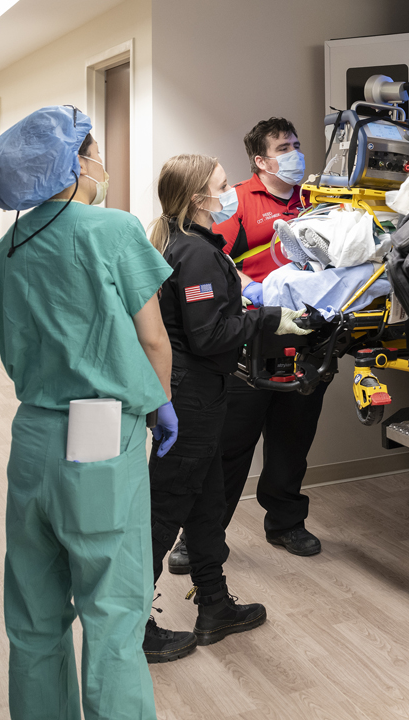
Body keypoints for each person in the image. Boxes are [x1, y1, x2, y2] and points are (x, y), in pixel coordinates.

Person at [0, 105, 192, 720]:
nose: (100, 162)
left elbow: (12, 347)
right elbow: (154, 339)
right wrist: (162, 403)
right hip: (100, 434)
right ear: (76, 161)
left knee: (35, 615)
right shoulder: (114, 229)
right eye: (93, 151)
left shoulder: (9, 244)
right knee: (113, 613)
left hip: (33, 434)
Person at [145, 154, 309, 647]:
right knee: (162, 513)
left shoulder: (188, 244)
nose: (229, 193)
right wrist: (265, 318)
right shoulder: (193, 253)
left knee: (206, 503)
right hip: (189, 400)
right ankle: (134, 626)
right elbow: (209, 335)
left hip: (202, 396)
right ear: (198, 199)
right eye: (221, 186)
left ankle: (214, 606)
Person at [167, 118, 320, 577]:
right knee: (232, 444)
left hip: (305, 332)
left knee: (294, 437)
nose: (294, 152)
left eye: (296, 144)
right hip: (251, 338)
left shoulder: (313, 201)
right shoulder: (238, 201)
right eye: (283, 147)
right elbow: (217, 264)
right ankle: (200, 537)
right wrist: (256, 296)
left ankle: (286, 522)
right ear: (261, 159)